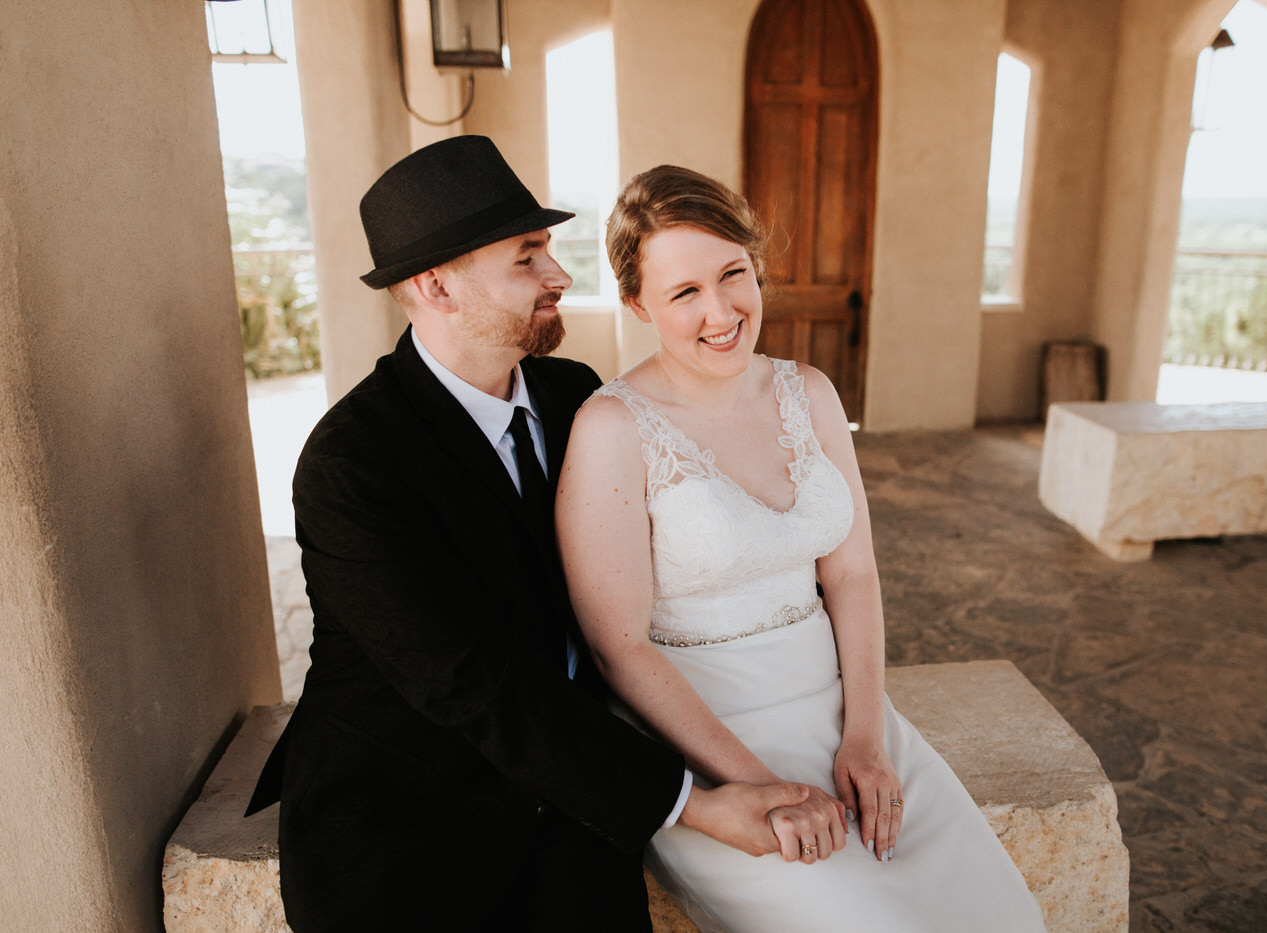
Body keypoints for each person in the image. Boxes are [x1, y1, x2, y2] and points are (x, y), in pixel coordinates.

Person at [245, 137, 838, 932]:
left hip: (575, 802)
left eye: (549, 249)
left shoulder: (575, 398)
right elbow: (475, 684)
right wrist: (694, 801)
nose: (559, 275)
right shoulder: (354, 463)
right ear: (434, 285)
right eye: (527, 258)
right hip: (410, 824)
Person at [555, 165, 1048, 932]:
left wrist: (867, 738)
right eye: (684, 292)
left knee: (1000, 913)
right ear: (636, 302)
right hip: (710, 737)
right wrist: (760, 788)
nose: (720, 312)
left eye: (733, 274)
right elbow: (619, 647)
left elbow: (852, 574)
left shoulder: (808, 391)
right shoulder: (612, 429)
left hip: (843, 712)